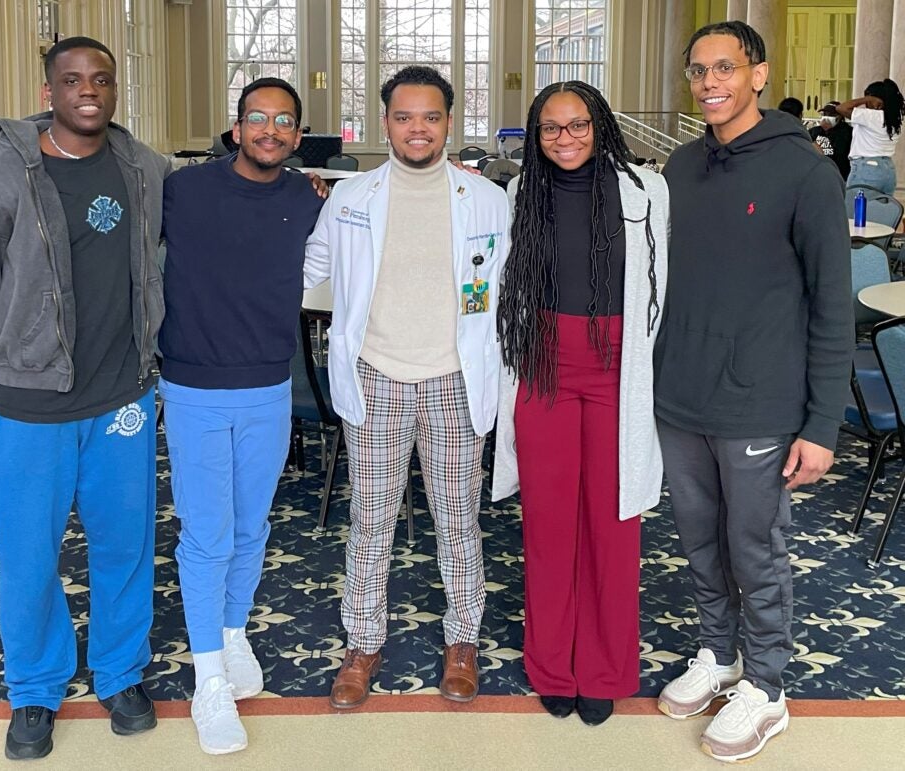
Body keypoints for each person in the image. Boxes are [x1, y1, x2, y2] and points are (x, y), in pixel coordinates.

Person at [0, 36, 169, 760]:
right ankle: (35, 688)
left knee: (126, 547)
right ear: (50, 89)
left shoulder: (142, 168)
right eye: (72, 80)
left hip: (122, 400)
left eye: (100, 78)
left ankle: (121, 672)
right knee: (29, 558)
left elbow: (212, 206)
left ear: (115, 87)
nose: (87, 90)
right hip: (26, 407)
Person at [653, 21, 853, 763]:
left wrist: (822, 424)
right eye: (699, 70)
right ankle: (719, 653)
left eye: (726, 68)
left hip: (761, 404)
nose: (710, 82)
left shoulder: (806, 173)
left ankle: (767, 685)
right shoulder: (679, 167)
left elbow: (833, 307)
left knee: (755, 548)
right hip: (681, 399)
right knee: (699, 543)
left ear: (759, 74)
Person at [303, 65, 510, 709]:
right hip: (377, 377)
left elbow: (508, 291)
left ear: (449, 122)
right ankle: (362, 644)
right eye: (403, 116)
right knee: (371, 522)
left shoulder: (486, 200)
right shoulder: (350, 198)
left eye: (430, 117)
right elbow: (311, 267)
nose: (416, 129)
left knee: (458, 522)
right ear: (384, 122)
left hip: (454, 380)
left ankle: (463, 641)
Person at [491, 81, 669, 726]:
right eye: (550, 128)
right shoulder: (519, 196)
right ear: (535, 137)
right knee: (548, 526)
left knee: (614, 526)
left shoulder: (647, 192)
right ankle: (551, 667)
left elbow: (663, 286)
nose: (564, 138)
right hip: (542, 366)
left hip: (619, 369)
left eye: (578, 125)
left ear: (601, 126)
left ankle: (605, 670)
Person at [157, 77, 325, 755]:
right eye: (258, 117)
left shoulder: (307, 200)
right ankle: (207, 681)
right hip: (193, 385)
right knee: (207, 535)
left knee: (251, 525)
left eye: (284, 121)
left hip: (268, 385)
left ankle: (231, 632)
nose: (270, 129)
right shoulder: (183, 190)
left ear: (297, 134)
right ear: (236, 127)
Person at [838, 78, 904, 194]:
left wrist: (868, 98)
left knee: (855, 208)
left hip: (866, 168)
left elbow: (841, 108)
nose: (865, 104)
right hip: (888, 169)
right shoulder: (895, 119)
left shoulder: (871, 116)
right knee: (882, 211)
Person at [809, 101, 852, 180]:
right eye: (824, 114)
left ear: (839, 117)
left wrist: (829, 131)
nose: (826, 117)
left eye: (830, 115)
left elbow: (841, 152)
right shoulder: (815, 131)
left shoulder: (847, 132)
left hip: (839, 176)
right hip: (817, 174)